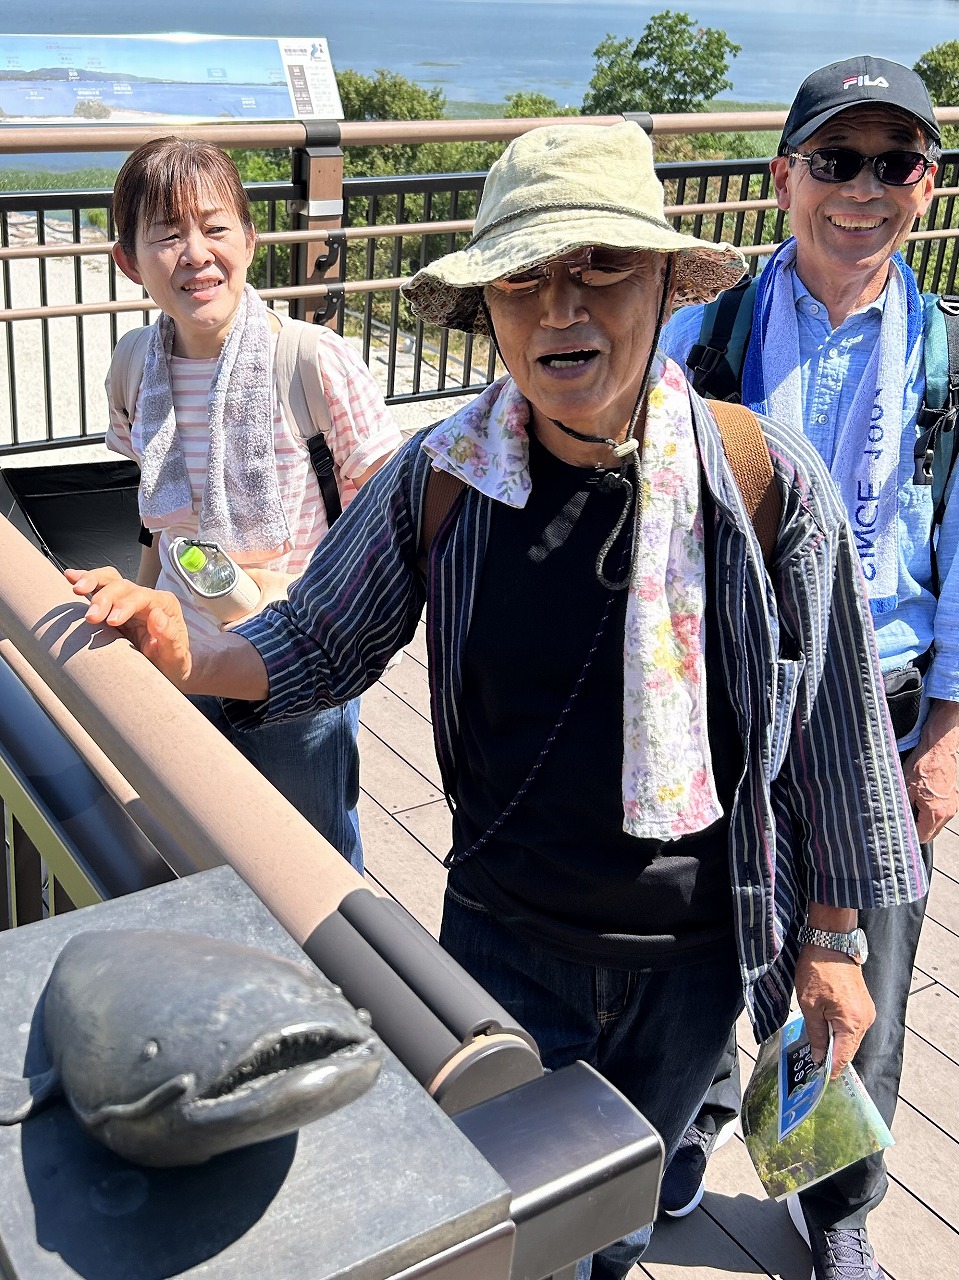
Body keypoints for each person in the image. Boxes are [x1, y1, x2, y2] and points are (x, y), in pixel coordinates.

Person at [68, 121, 927, 1280]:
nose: (560, 308)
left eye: (601, 266)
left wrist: (830, 940)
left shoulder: (761, 480)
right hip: (501, 944)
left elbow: (834, 735)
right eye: (522, 278)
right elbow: (315, 638)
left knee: (614, 1217)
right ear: (488, 308)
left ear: (666, 282)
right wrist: (192, 649)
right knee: (506, 1221)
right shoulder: (442, 475)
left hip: (694, 958)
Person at [660, 56, 957, 1280]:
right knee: (685, 937)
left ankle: (828, 1193)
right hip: (717, 686)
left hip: (879, 704)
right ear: (783, 176)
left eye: (893, 162)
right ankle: (684, 1120)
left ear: (925, 186)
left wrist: (947, 735)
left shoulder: (945, 357)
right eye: (835, 159)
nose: (861, 188)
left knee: (853, 971)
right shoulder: (701, 334)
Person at [105, 136, 402, 872]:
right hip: (179, 642)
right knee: (200, 836)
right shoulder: (135, 366)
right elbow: (156, 509)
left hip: (296, 650)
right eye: (166, 235)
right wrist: (140, 606)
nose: (195, 254)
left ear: (250, 240)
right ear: (128, 261)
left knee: (310, 853)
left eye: (215, 227)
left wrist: (297, 596)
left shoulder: (311, 361)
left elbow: (387, 520)